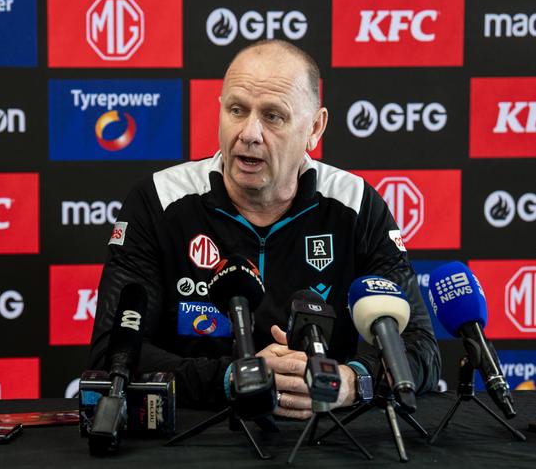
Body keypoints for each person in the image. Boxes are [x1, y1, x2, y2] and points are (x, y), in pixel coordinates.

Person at [89, 39, 441, 419]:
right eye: (237, 110)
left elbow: (420, 347)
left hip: (322, 435)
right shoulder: (157, 201)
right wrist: (234, 378)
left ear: (315, 128)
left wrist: (352, 381)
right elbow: (114, 350)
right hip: (196, 435)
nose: (250, 133)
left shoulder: (356, 205)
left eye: (273, 116)